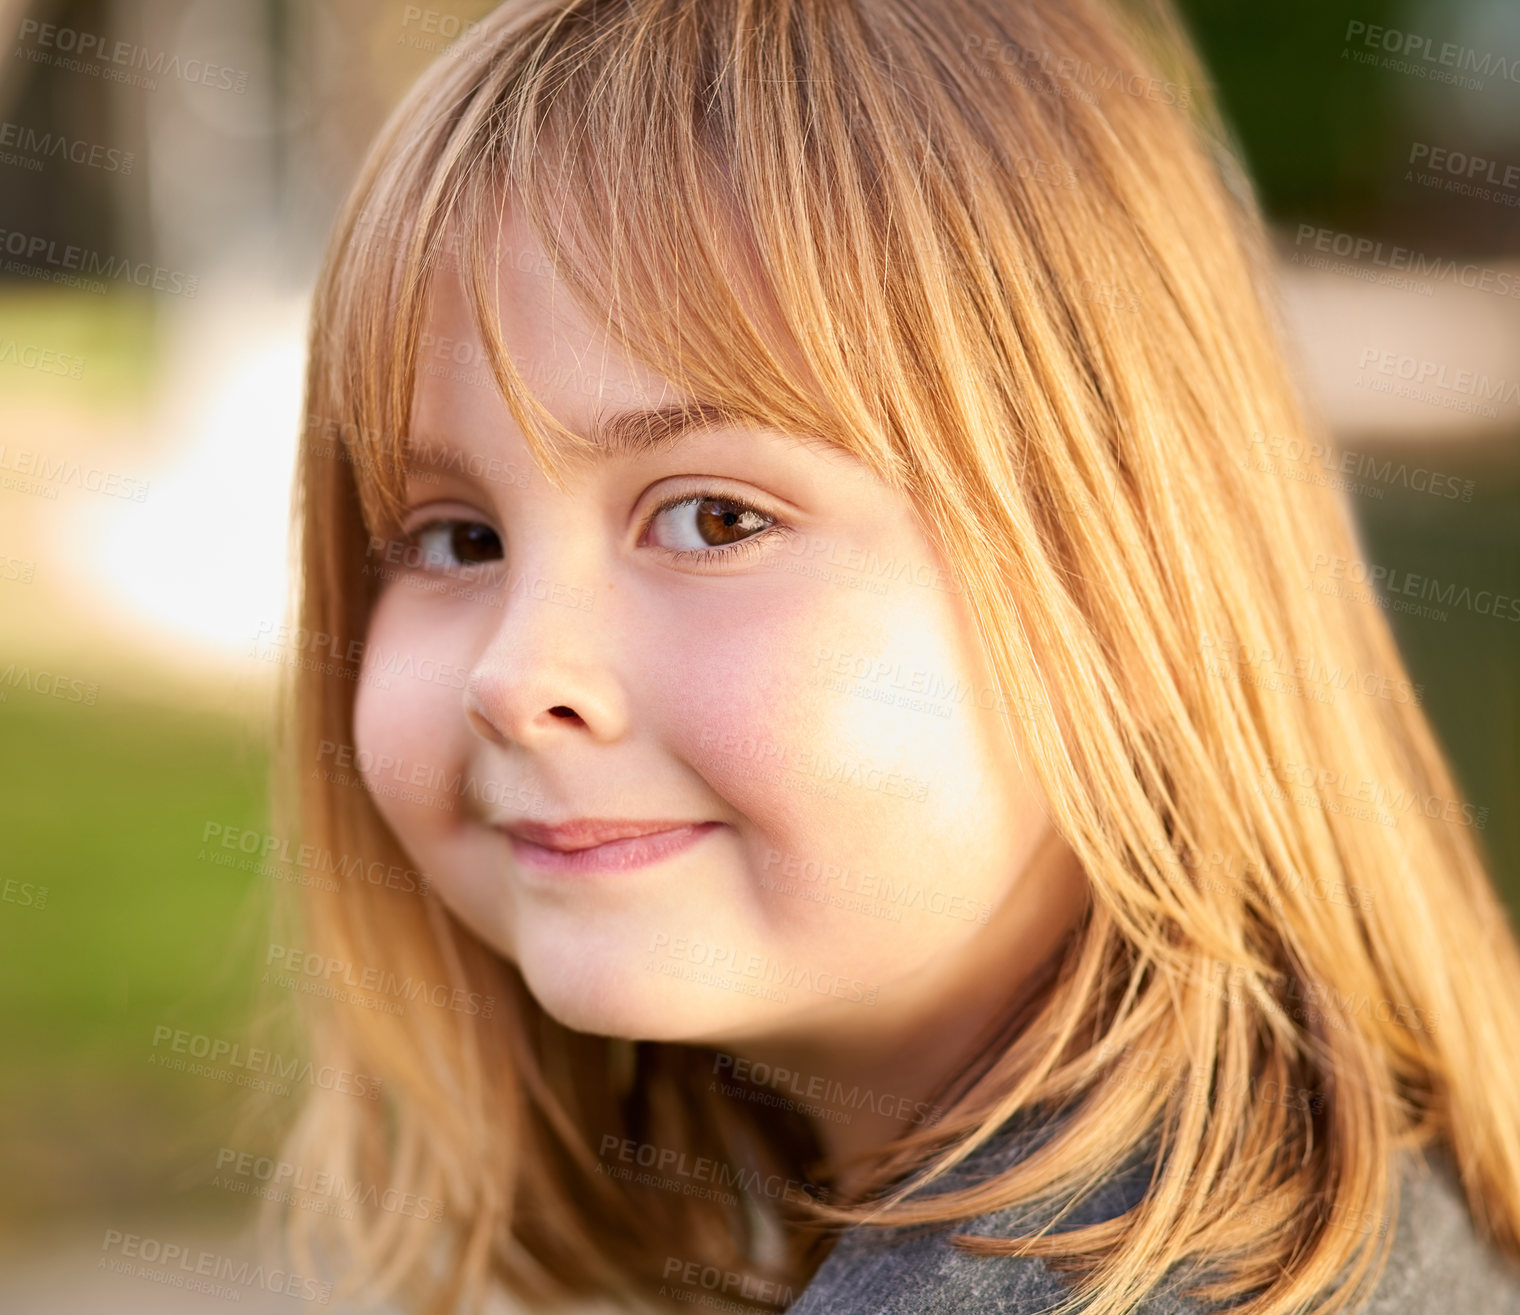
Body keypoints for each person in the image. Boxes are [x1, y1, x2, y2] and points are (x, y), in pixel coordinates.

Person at [266, 1, 1520, 1311]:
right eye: (457, 538)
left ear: (1129, 580)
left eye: (716, 519)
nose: (518, 681)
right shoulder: (1348, 1188)